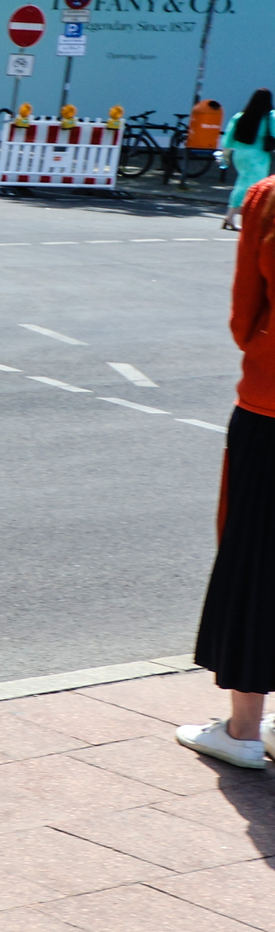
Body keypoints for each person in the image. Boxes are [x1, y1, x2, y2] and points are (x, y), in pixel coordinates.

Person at [181, 171, 275, 769]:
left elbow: (246, 309)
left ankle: (244, 727)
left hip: (271, 402)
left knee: (256, 558)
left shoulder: (267, 196)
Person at [226, 89, 273, 231]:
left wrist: (226, 154)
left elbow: (228, 137)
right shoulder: (269, 117)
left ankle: (231, 216)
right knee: (255, 187)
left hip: (240, 154)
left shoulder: (240, 116)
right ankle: (246, 218)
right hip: (258, 156)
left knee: (242, 183)